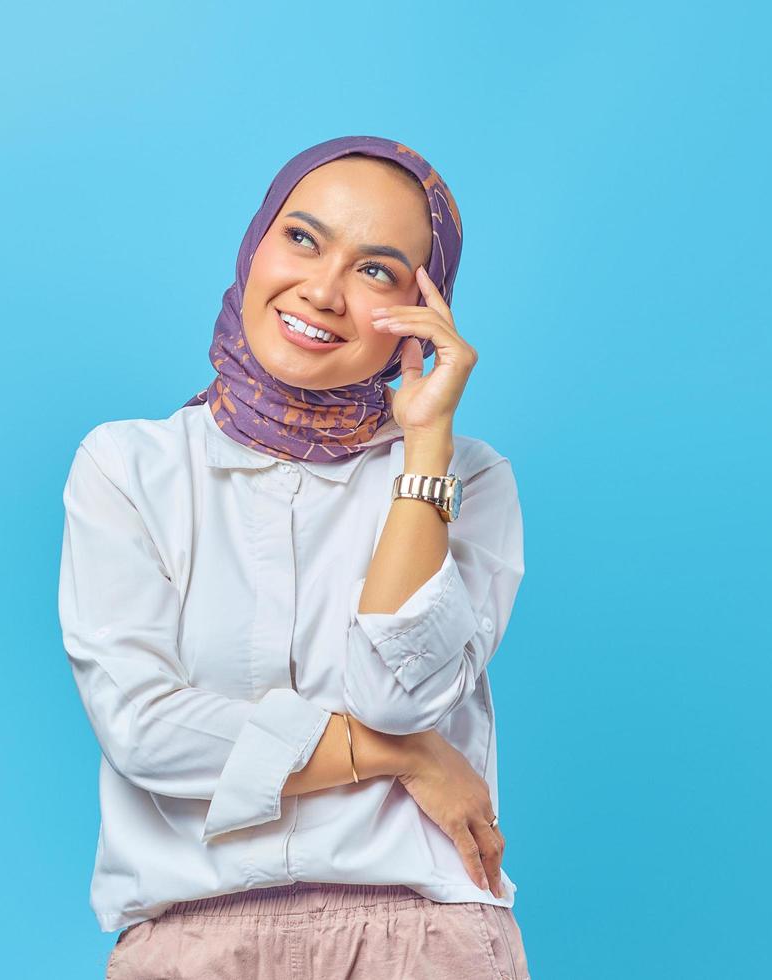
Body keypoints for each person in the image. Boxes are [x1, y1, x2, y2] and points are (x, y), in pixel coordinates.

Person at [57, 135, 531, 979]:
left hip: (421, 940)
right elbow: (143, 730)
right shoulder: (129, 466)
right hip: (188, 942)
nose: (322, 290)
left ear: (425, 308)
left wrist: (424, 451)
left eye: (377, 271)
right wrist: (401, 756)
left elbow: (397, 693)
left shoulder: (470, 475)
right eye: (303, 239)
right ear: (256, 242)